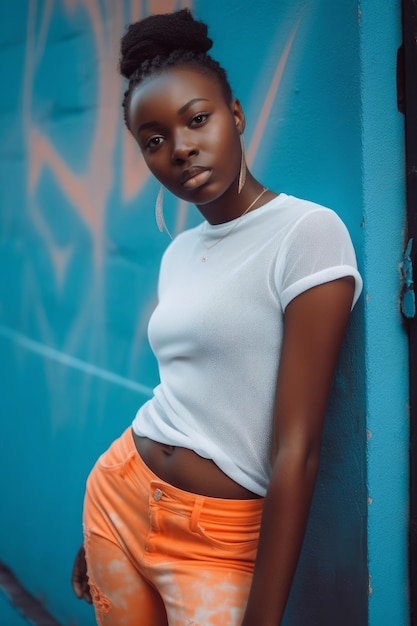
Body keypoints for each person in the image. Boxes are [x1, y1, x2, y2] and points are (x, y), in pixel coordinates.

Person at [72, 8, 362, 626]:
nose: (180, 148)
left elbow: (298, 448)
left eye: (197, 119)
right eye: (154, 140)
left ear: (235, 115)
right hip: (118, 496)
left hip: (217, 542)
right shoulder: (179, 251)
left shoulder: (307, 234)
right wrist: (102, 529)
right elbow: (183, 390)